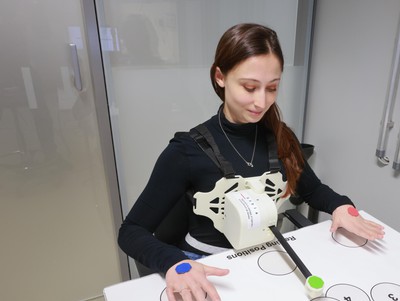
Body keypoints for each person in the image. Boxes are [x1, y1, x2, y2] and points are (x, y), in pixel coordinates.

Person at [118, 23, 384, 301]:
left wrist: (340, 206)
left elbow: (313, 191)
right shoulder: (187, 150)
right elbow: (131, 231)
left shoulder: (281, 137)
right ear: (220, 77)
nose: (262, 101)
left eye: (272, 88)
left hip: (266, 260)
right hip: (206, 268)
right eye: (249, 87)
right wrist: (174, 263)